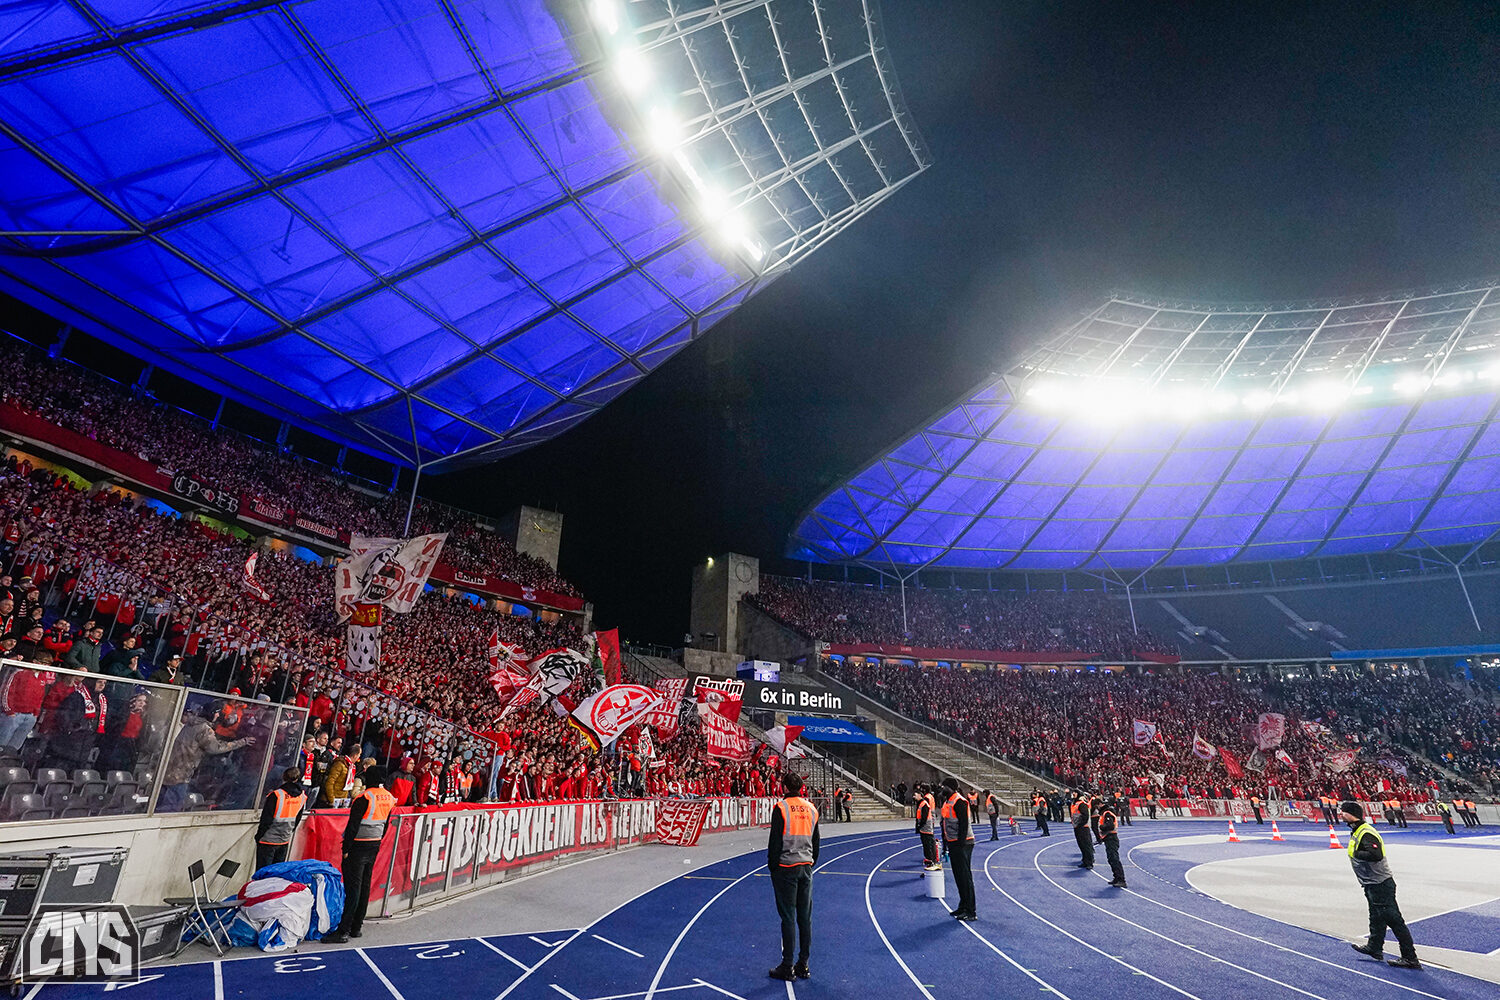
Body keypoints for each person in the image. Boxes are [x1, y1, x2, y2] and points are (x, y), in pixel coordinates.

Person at [1342, 801, 1420, 970]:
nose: (1341, 814)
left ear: (1351, 814)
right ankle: (1375, 947)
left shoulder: (1366, 832)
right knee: (1376, 917)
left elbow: (1375, 854)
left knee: (1394, 920)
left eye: (1344, 812)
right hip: (1372, 883)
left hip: (1380, 883)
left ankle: (1410, 957)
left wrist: (1357, 853)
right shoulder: (1358, 830)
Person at [323, 766, 396, 944]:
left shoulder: (364, 797)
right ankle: (356, 927)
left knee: (353, 889)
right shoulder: (388, 797)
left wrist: (346, 848)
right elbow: (386, 823)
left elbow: (352, 826)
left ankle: (343, 930)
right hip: (374, 843)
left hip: (358, 845)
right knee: (364, 886)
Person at [767, 772, 819, 981]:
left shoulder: (781, 808)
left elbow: (775, 841)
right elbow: (816, 842)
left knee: (788, 917)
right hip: (806, 866)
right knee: (804, 918)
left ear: (785, 787)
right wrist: (811, 860)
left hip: (786, 866)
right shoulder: (811, 808)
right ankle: (803, 964)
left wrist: (773, 867)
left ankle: (787, 965)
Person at [255, 768, 308, 871]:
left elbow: (266, 819)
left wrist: (259, 836)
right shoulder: (302, 796)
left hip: (268, 840)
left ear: (284, 777)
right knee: (277, 874)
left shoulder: (276, 795)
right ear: (297, 778)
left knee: (263, 874)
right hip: (284, 839)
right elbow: (298, 818)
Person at [939, 777, 976, 922]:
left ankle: (971, 910)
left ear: (950, 788)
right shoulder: (948, 801)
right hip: (953, 843)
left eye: (944, 787)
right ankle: (963, 905)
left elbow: (964, 825)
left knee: (965, 877)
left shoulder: (959, 801)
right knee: (958, 877)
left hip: (963, 844)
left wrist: (960, 845)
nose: (942, 790)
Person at [1098, 798, 1126, 888]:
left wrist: (1102, 827)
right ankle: (1117, 878)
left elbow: (1110, 826)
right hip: (1109, 838)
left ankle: (1121, 879)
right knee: (1111, 859)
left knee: (1114, 859)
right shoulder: (1106, 813)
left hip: (1111, 838)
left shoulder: (1107, 814)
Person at [915, 782, 939, 871]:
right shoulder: (930, 796)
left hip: (928, 822)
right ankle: (932, 859)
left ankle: (931, 859)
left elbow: (925, 812)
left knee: (928, 842)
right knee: (930, 841)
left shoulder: (926, 799)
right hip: (930, 819)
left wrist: (920, 825)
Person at [1073, 792, 1095, 870]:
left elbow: (1085, 816)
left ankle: (1089, 862)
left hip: (1083, 827)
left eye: (1075, 792)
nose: (1073, 794)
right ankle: (1085, 861)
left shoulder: (1081, 804)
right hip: (1078, 827)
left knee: (1086, 845)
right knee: (1081, 845)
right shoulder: (1076, 803)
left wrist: (1080, 824)